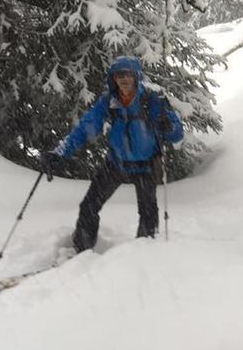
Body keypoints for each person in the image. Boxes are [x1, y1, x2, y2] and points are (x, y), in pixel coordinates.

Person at [42, 56, 184, 252]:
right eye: (119, 75)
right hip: (116, 163)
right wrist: (59, 153)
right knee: (89, 206)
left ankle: (146, 255)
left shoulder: (152, 100)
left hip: (147, 166)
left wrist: (167, 126)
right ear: (113, 78)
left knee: (148, 214)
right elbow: (86, 128)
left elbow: (177, 134)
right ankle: (81, 250)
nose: (124, 79)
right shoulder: (109, 102)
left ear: (136, 77)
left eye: (128, 74)